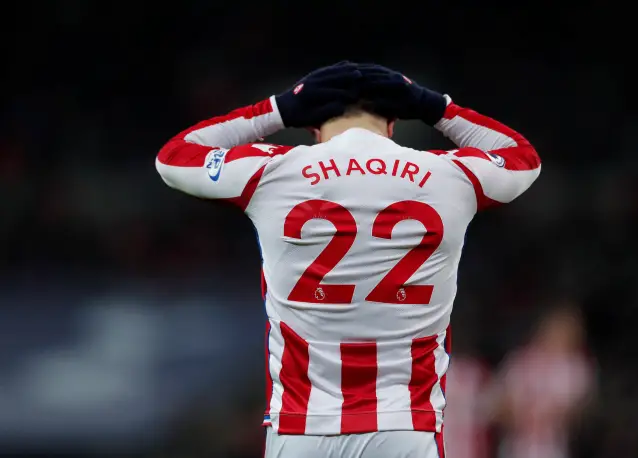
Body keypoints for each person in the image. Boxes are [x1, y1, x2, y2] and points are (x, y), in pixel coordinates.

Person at [155, 61, 541, 458]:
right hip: (405, 426)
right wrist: (434, 107)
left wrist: (277, 109)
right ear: (393, 125)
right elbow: (522, 159)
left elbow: (173, 159)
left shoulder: (273, 170)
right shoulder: (449, 174)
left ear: (312, 127)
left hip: (302, 428)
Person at [491, 305, 594, 458]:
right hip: (515, 449)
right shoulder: (520, 360)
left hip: (553, 449)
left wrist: (550, 416)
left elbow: (579, 413)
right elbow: (497, 407)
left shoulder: (576, 367)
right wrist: (517, 415)